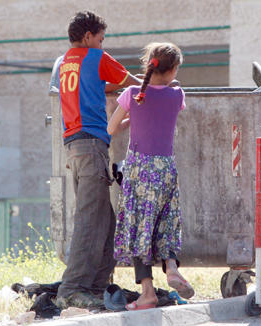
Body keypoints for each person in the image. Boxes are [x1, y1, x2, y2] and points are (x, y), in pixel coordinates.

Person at [54, 11, 141, 309]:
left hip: (76, 148)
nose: (103, 44)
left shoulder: (64, 63)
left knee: (105, 221)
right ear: (88, 36)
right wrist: (158, 83)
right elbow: (132, 85)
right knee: (91, 220)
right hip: (91, 147)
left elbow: (93, 88)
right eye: (101, 39)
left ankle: (96, 285)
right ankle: (72, 288)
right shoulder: (96, 57)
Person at [107, 42, 194, 310]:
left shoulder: (132, 94)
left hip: (139, 170)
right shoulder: (177, 95)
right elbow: (167, 103)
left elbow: (111, 128)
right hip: (166, 169)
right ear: (174, 69)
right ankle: (170, 267)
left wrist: (131, 117)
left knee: (139, 228)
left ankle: (147, 293)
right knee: (166, 221)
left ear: (149, 64)